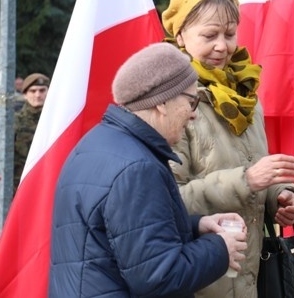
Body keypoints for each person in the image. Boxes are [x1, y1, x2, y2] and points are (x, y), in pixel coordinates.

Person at [49, 43, 247, 297]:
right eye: (192, 101)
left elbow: (125, 233)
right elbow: (159, 276)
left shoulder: (98, 144)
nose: (194, 114)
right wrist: (220, 248)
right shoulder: (137, 168)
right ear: (162, 103)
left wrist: (196, 226)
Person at [161, 0, 294, 298]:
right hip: (198, 280)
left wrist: (278, 197)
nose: (222, 46)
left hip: (250, 276)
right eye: (210, 35)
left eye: (229, 34)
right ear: (181, 36)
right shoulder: (170, 102)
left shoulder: (245, 97)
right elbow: (167, 200)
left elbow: (251, 171)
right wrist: (247, 180)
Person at [0, 73, 49, 193]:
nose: (38, 95)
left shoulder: (56, 122)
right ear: (25, 94)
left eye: (42, 91)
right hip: (17, 190)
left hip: (47, 188)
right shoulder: (12, 123)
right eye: (33, 91)